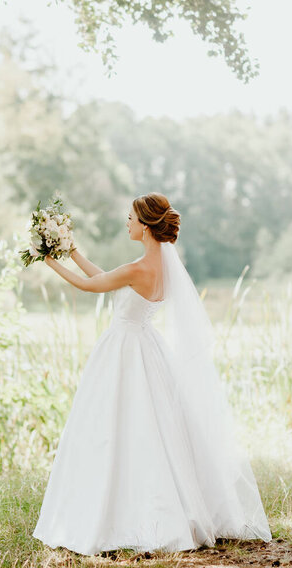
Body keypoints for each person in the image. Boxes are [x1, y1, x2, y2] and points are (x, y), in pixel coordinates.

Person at [32, 192, 272, 556]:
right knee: (155, 427)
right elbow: (105, 277)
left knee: (117, 426)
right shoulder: (157, 267)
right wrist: (72, 249)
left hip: (126, 349)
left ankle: (120, 512)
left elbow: (90, 286)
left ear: (145, 226)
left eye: (130, 218)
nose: (126, 223)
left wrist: (49, 261)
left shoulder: (139, 268)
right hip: (147, 346)